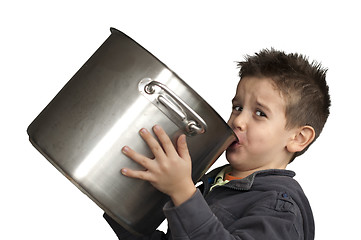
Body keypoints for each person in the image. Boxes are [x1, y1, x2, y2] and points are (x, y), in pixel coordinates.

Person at [103, 48, 331, 239]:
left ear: (298, 138)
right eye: (238, 107)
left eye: (260, 113)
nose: (238, 121)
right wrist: (117, 206)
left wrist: (183, 192)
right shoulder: (215, 182)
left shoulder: (280, 208)